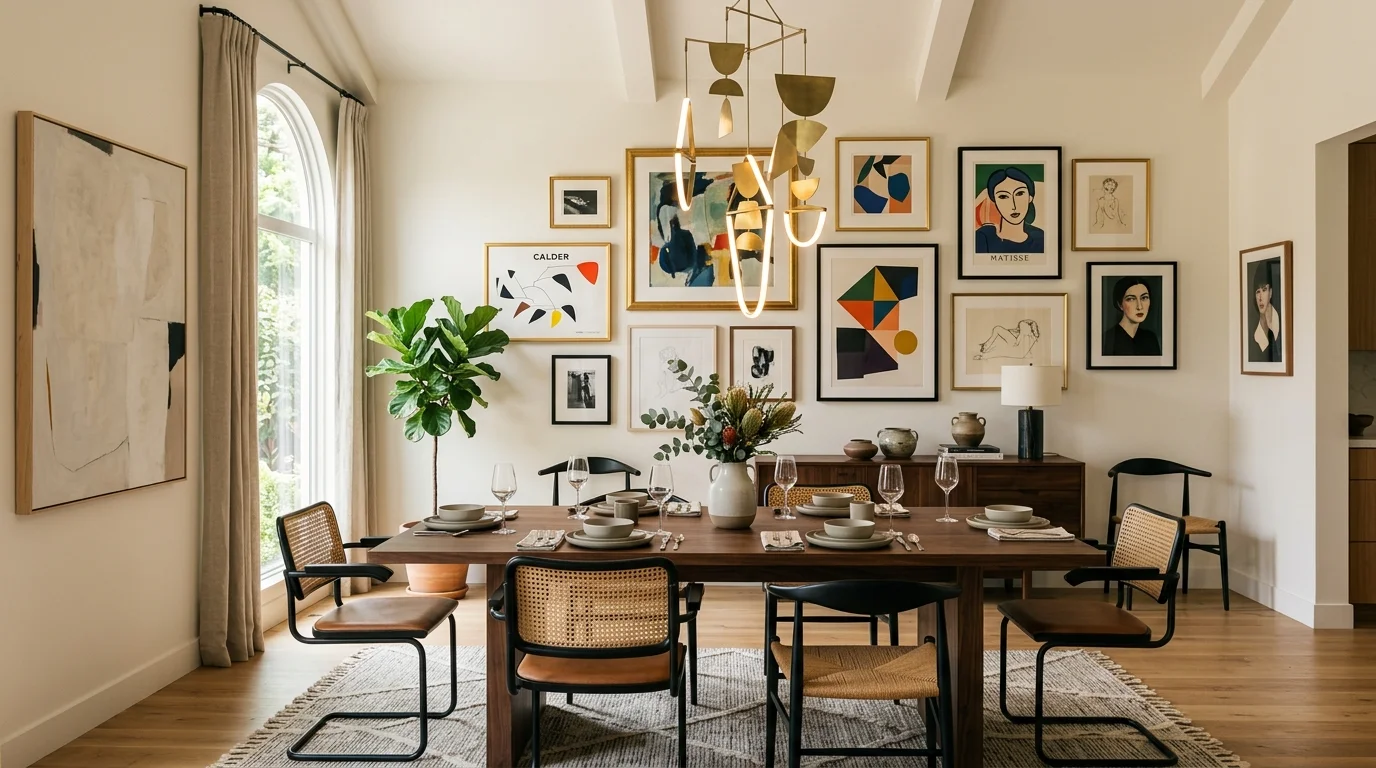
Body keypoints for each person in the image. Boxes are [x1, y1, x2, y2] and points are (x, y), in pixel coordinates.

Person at [975, 167, 1045, 253]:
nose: (1013, 205)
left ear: (1030, 197)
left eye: (1020, 193)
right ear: (994, 201)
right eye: (1003, 196)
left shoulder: (1041, 238)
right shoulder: (983, 236)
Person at [1102, 276, 1160, 356]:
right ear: (1120, 304)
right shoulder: (1107, 339)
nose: (1139, 307)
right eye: (1131, 299)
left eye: (1144, 298)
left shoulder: (1150, 338)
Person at [1249, 261, 1282, 362]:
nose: (1260, 298)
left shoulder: (1282, 322)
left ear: (1270, 292)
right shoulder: (1254, 335)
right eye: (1257, 291)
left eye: (1264, 290)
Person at [973, 319, 1040, 360]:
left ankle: (985, 347)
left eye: (1021, 327)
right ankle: (985, 349)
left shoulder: (1024, 330)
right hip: (1020, 353)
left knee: (997, 329)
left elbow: (1017, 342)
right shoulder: (1033, 336)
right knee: (998, 331)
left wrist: (1008, 335)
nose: (1020, 329)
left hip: (1016, 349)